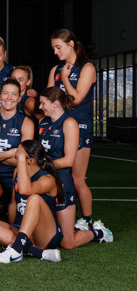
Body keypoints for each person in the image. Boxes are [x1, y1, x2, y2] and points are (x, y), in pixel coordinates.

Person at [38, 87, 112, 249]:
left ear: (55, 104)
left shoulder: (69, 123)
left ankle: (99, 233)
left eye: (43, 103)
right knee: (44, 238)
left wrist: (42, 164)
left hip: (61, 182)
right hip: (42, 180)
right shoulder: (42, 122)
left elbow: (69, 161)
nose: (40, 107)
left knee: (67, 243)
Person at [47, 28, 98, 231]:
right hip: (58, 128)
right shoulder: (55, 69)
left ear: (70, 44)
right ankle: (61, 217)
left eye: (58, 47)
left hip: (80, 127)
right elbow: (49, 99)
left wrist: (65, 79)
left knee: (77, 179)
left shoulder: (87, 68)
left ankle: (88, 220)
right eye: (53, 48)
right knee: (57, 176)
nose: (55, 52)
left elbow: (76, 99)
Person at [0, 140, 64, 263]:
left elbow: (25, 190)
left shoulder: (48, 179)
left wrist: (21, 159)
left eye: (19, 153)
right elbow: (13, 202)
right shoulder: (17, 172)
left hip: (45, 235)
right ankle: (38, 252)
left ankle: (16, 250)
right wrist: (12, 228)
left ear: (30, 160)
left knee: (34, 198)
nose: (15, 154)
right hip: (25, 232)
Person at [0, 78, 34, 219]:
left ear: (19, 98)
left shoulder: (26, 123)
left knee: (12, 220)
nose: (9, 98)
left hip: (14, 176)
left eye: (14, 94)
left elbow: (23, 162)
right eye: (5, 93)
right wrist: (11, 153)